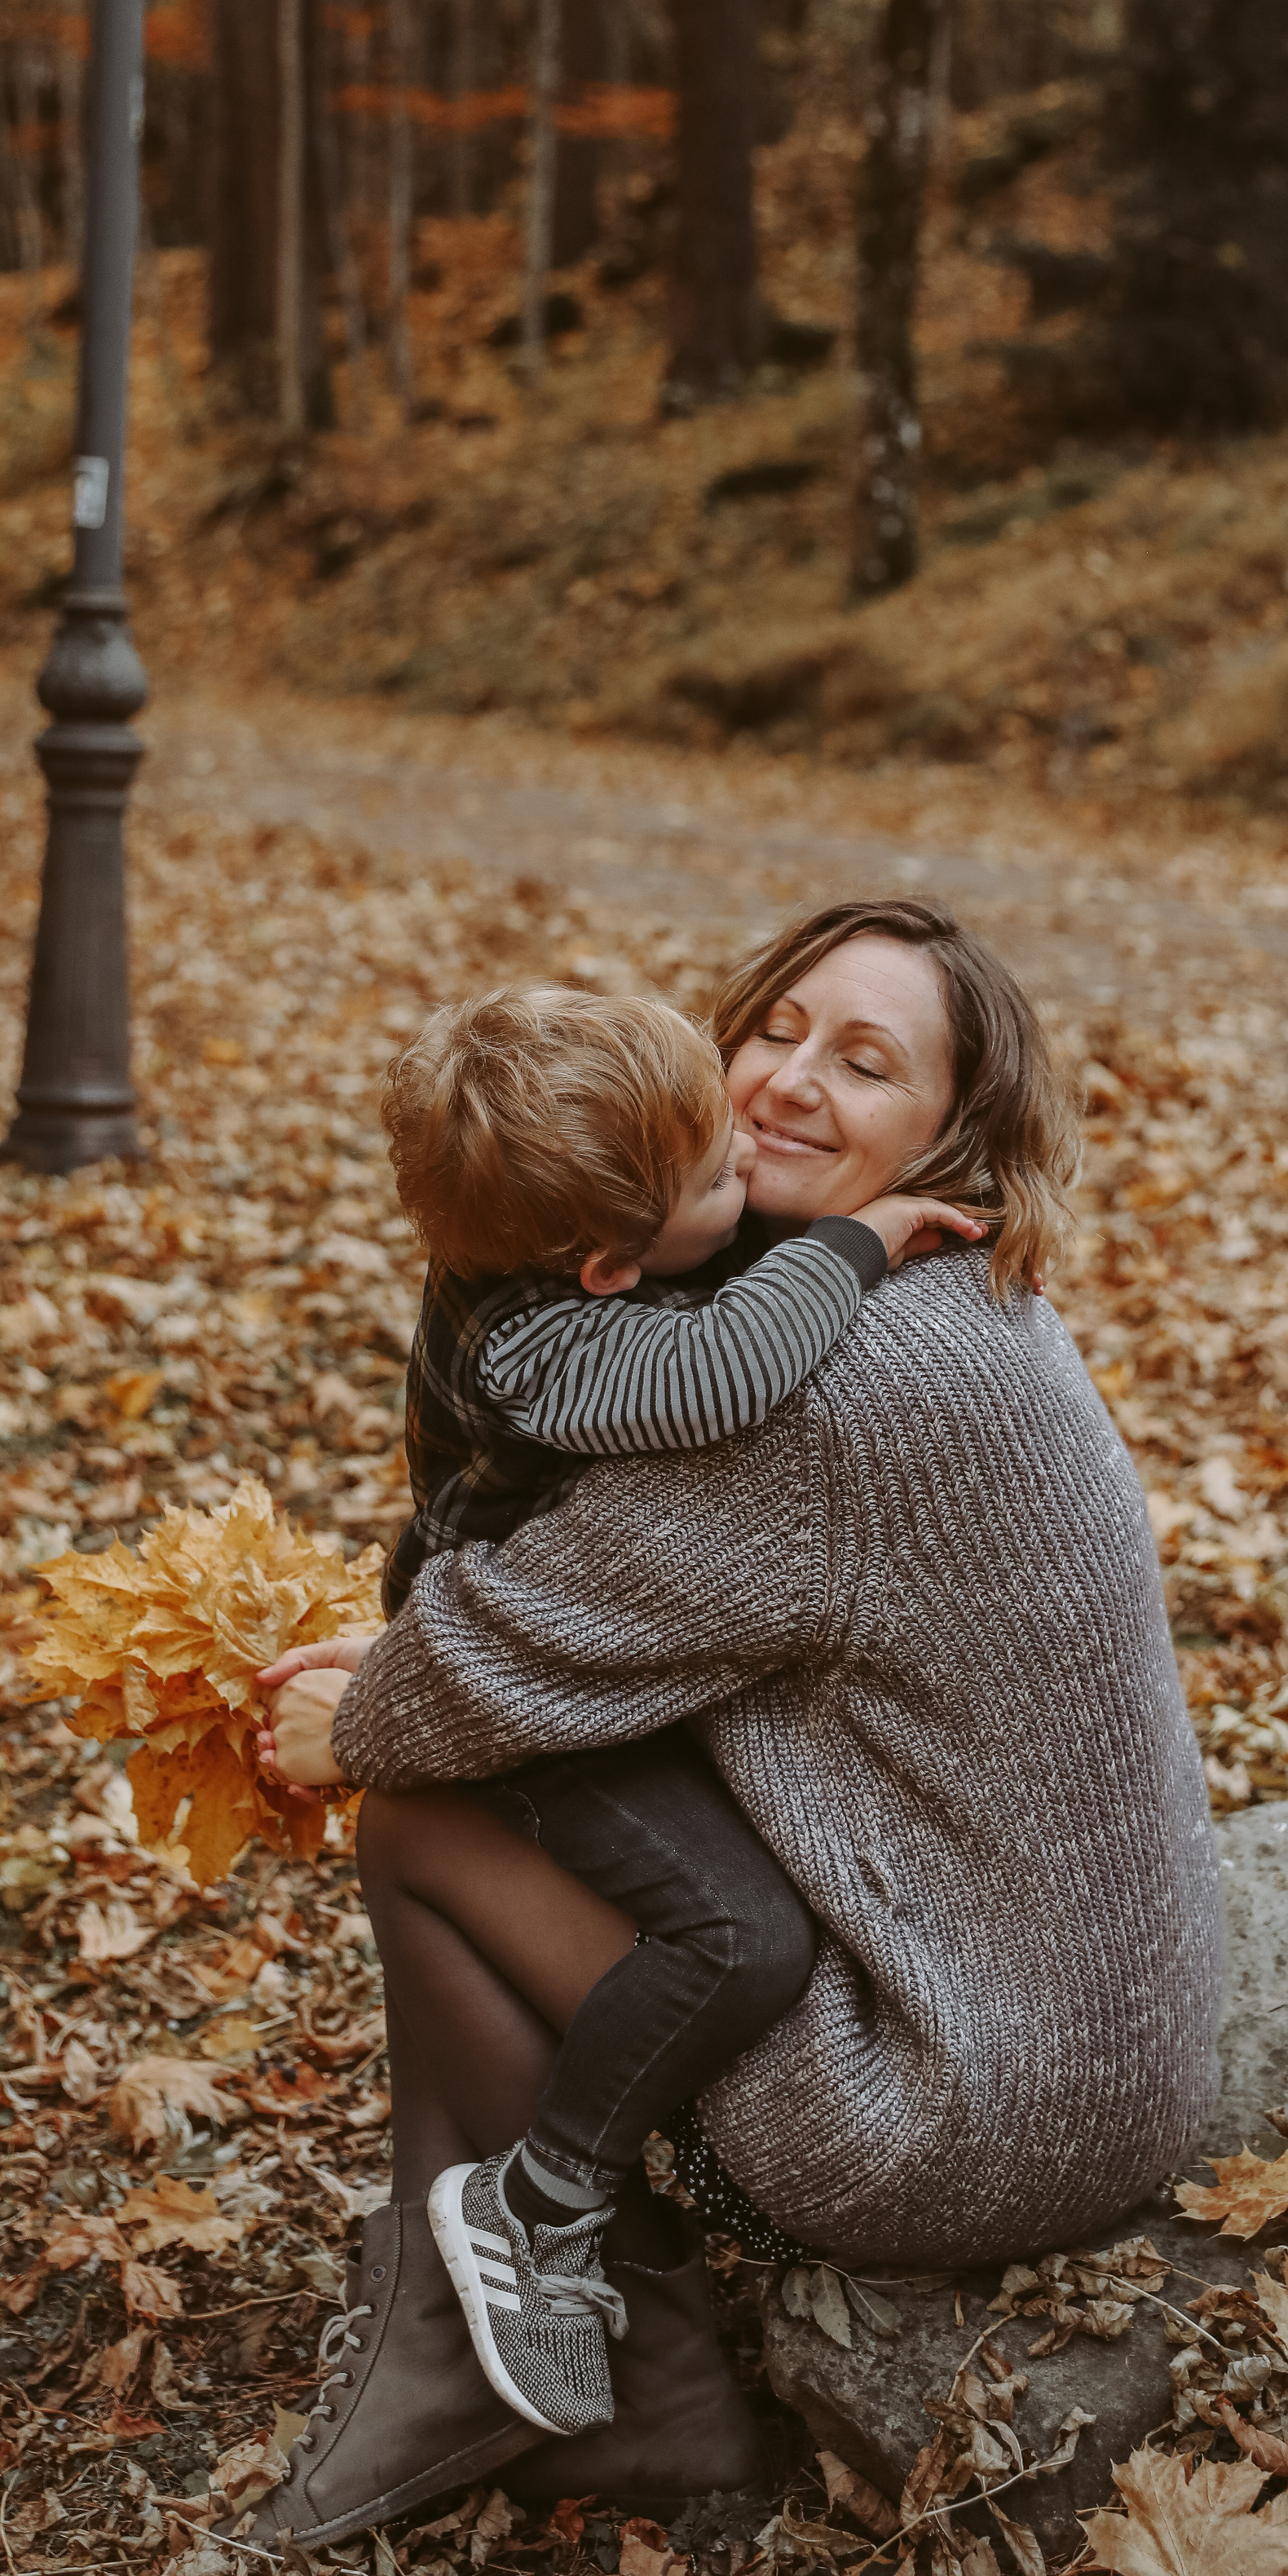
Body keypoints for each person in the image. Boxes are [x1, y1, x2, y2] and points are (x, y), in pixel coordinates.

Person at [242, 899, 1224, 2556]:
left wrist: (367, 1712)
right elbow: (628, 1606)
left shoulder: (850, 1385)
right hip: (1071, 2042)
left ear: (949, 1135)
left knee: (418, 1818)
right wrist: (426, 1658)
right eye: (774, 1027)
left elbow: (515, 1653)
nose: (782, 1082)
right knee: (509, 1776)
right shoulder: (915, 1304)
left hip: (961, 2108)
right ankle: (540, 2310)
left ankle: (582, 2367)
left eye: (862, 1063)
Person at [268, 981, 986, 2443]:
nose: (751, 1147)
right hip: (534, 1682)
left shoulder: (553, 1231)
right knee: (736, 1939)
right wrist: (858, 1236)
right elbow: (721, 1370)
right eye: (721, 1173)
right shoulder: (548, 1346)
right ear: (604, 1268)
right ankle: (540, 2203)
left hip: (603, 1659)